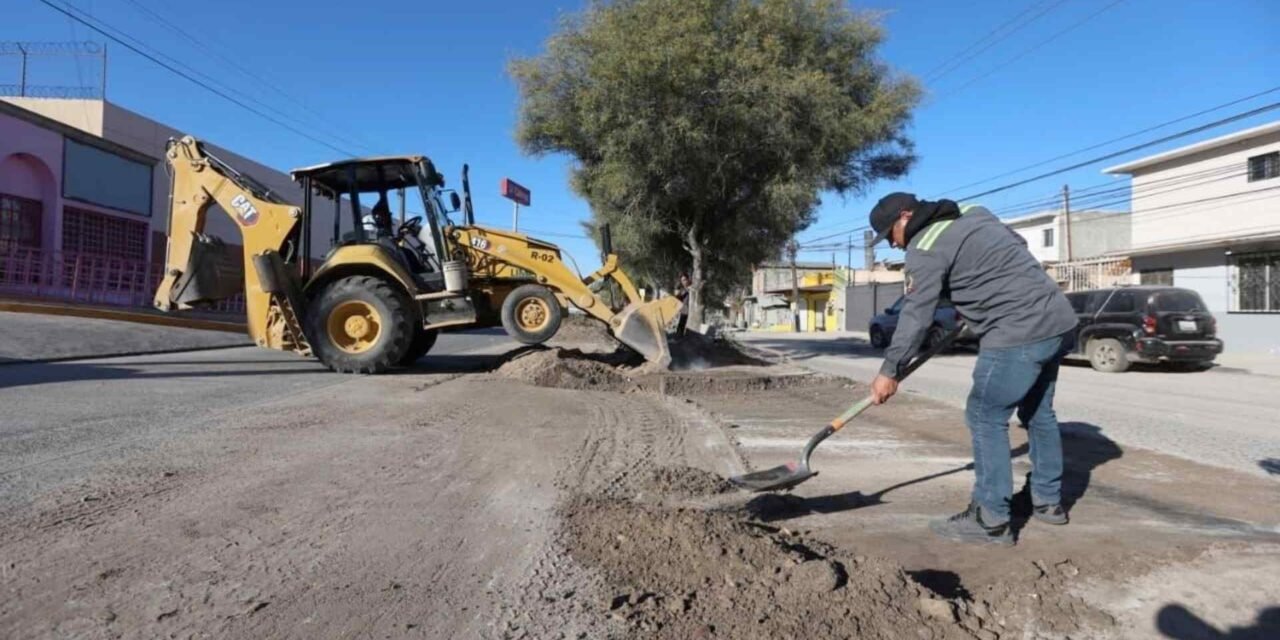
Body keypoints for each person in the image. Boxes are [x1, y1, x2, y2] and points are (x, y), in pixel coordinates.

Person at [866, 192, 1078, 546]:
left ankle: (990, 519)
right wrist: (971, 291)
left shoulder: (924, 247)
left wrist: (889, 370)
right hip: (1057, 321)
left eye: (890, 235)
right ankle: (1047, 502)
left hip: (1016, 332)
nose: (892, 244)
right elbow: (1016, 245)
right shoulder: (972, 213)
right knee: (1039, 414)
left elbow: (916, 314)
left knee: (983, 415)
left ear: (905, 216)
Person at [674, 273, 691, 338]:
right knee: (680, 326)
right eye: (682, 280)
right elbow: (679, 300)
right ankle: (678, 338)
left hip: (691, 311)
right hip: (684, 311)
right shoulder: (682, 290)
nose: (684, 282)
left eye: (685, 280)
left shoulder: (691, 288)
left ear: (688, 279)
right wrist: (677, 295)